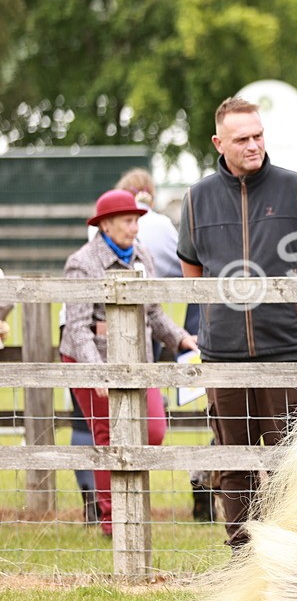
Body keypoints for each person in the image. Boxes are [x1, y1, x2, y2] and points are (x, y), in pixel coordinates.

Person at [177, 96, 297, 548]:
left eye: (258, 135)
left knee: (290, 458)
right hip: (222, 352)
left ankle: (290, 549)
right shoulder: (196, 199)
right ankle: (242, 554)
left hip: (286, 348)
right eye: (242, 138)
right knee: (233, 461)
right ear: (218, 142)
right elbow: (192, 268)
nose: (253, 145)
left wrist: (292, 299)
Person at [59, 189, 198, 536]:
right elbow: (78, 327)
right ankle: (114, 522)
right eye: (127, 221)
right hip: (90, 358)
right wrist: (97, 372)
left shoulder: (143, 256)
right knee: (108, 437)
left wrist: (181, 338)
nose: (135, 227)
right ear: (105, 225)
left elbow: (152, 312)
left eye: (137, 220)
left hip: (138, 357)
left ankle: (129, 501)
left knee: (152, 429)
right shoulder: (82, 264)